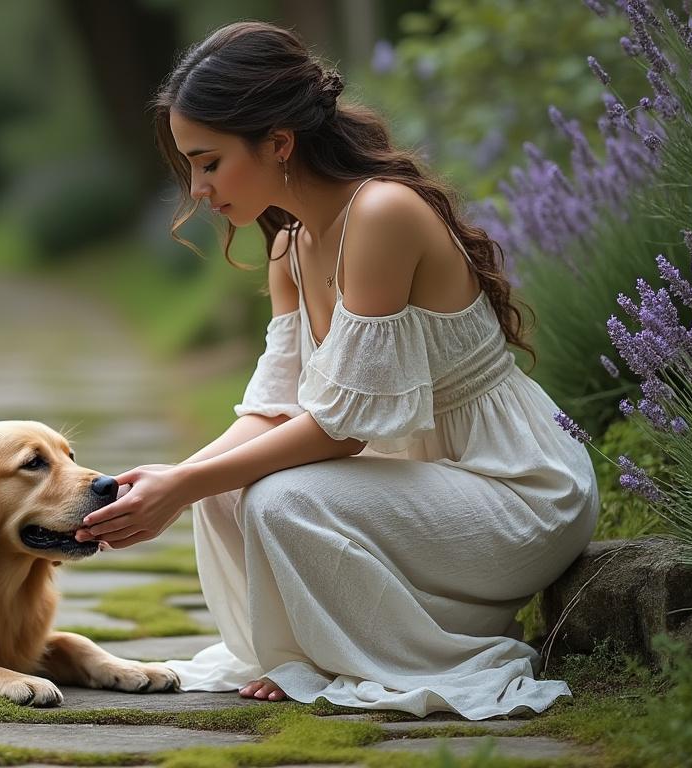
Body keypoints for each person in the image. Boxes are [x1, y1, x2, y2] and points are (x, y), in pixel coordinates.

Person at [73, 21, 598, 720]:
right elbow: (271, 410)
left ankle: (415, 653)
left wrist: (187, 483)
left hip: (516, 492)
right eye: (190, 167)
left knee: (277, 498)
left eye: (209, 162)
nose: (198, 189)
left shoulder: (381, 214)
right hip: (430, 493)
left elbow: (343, 431)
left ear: (279, 143)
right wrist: (173, 483)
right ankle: (302, 653)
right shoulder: (290, 246)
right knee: (225, 492)